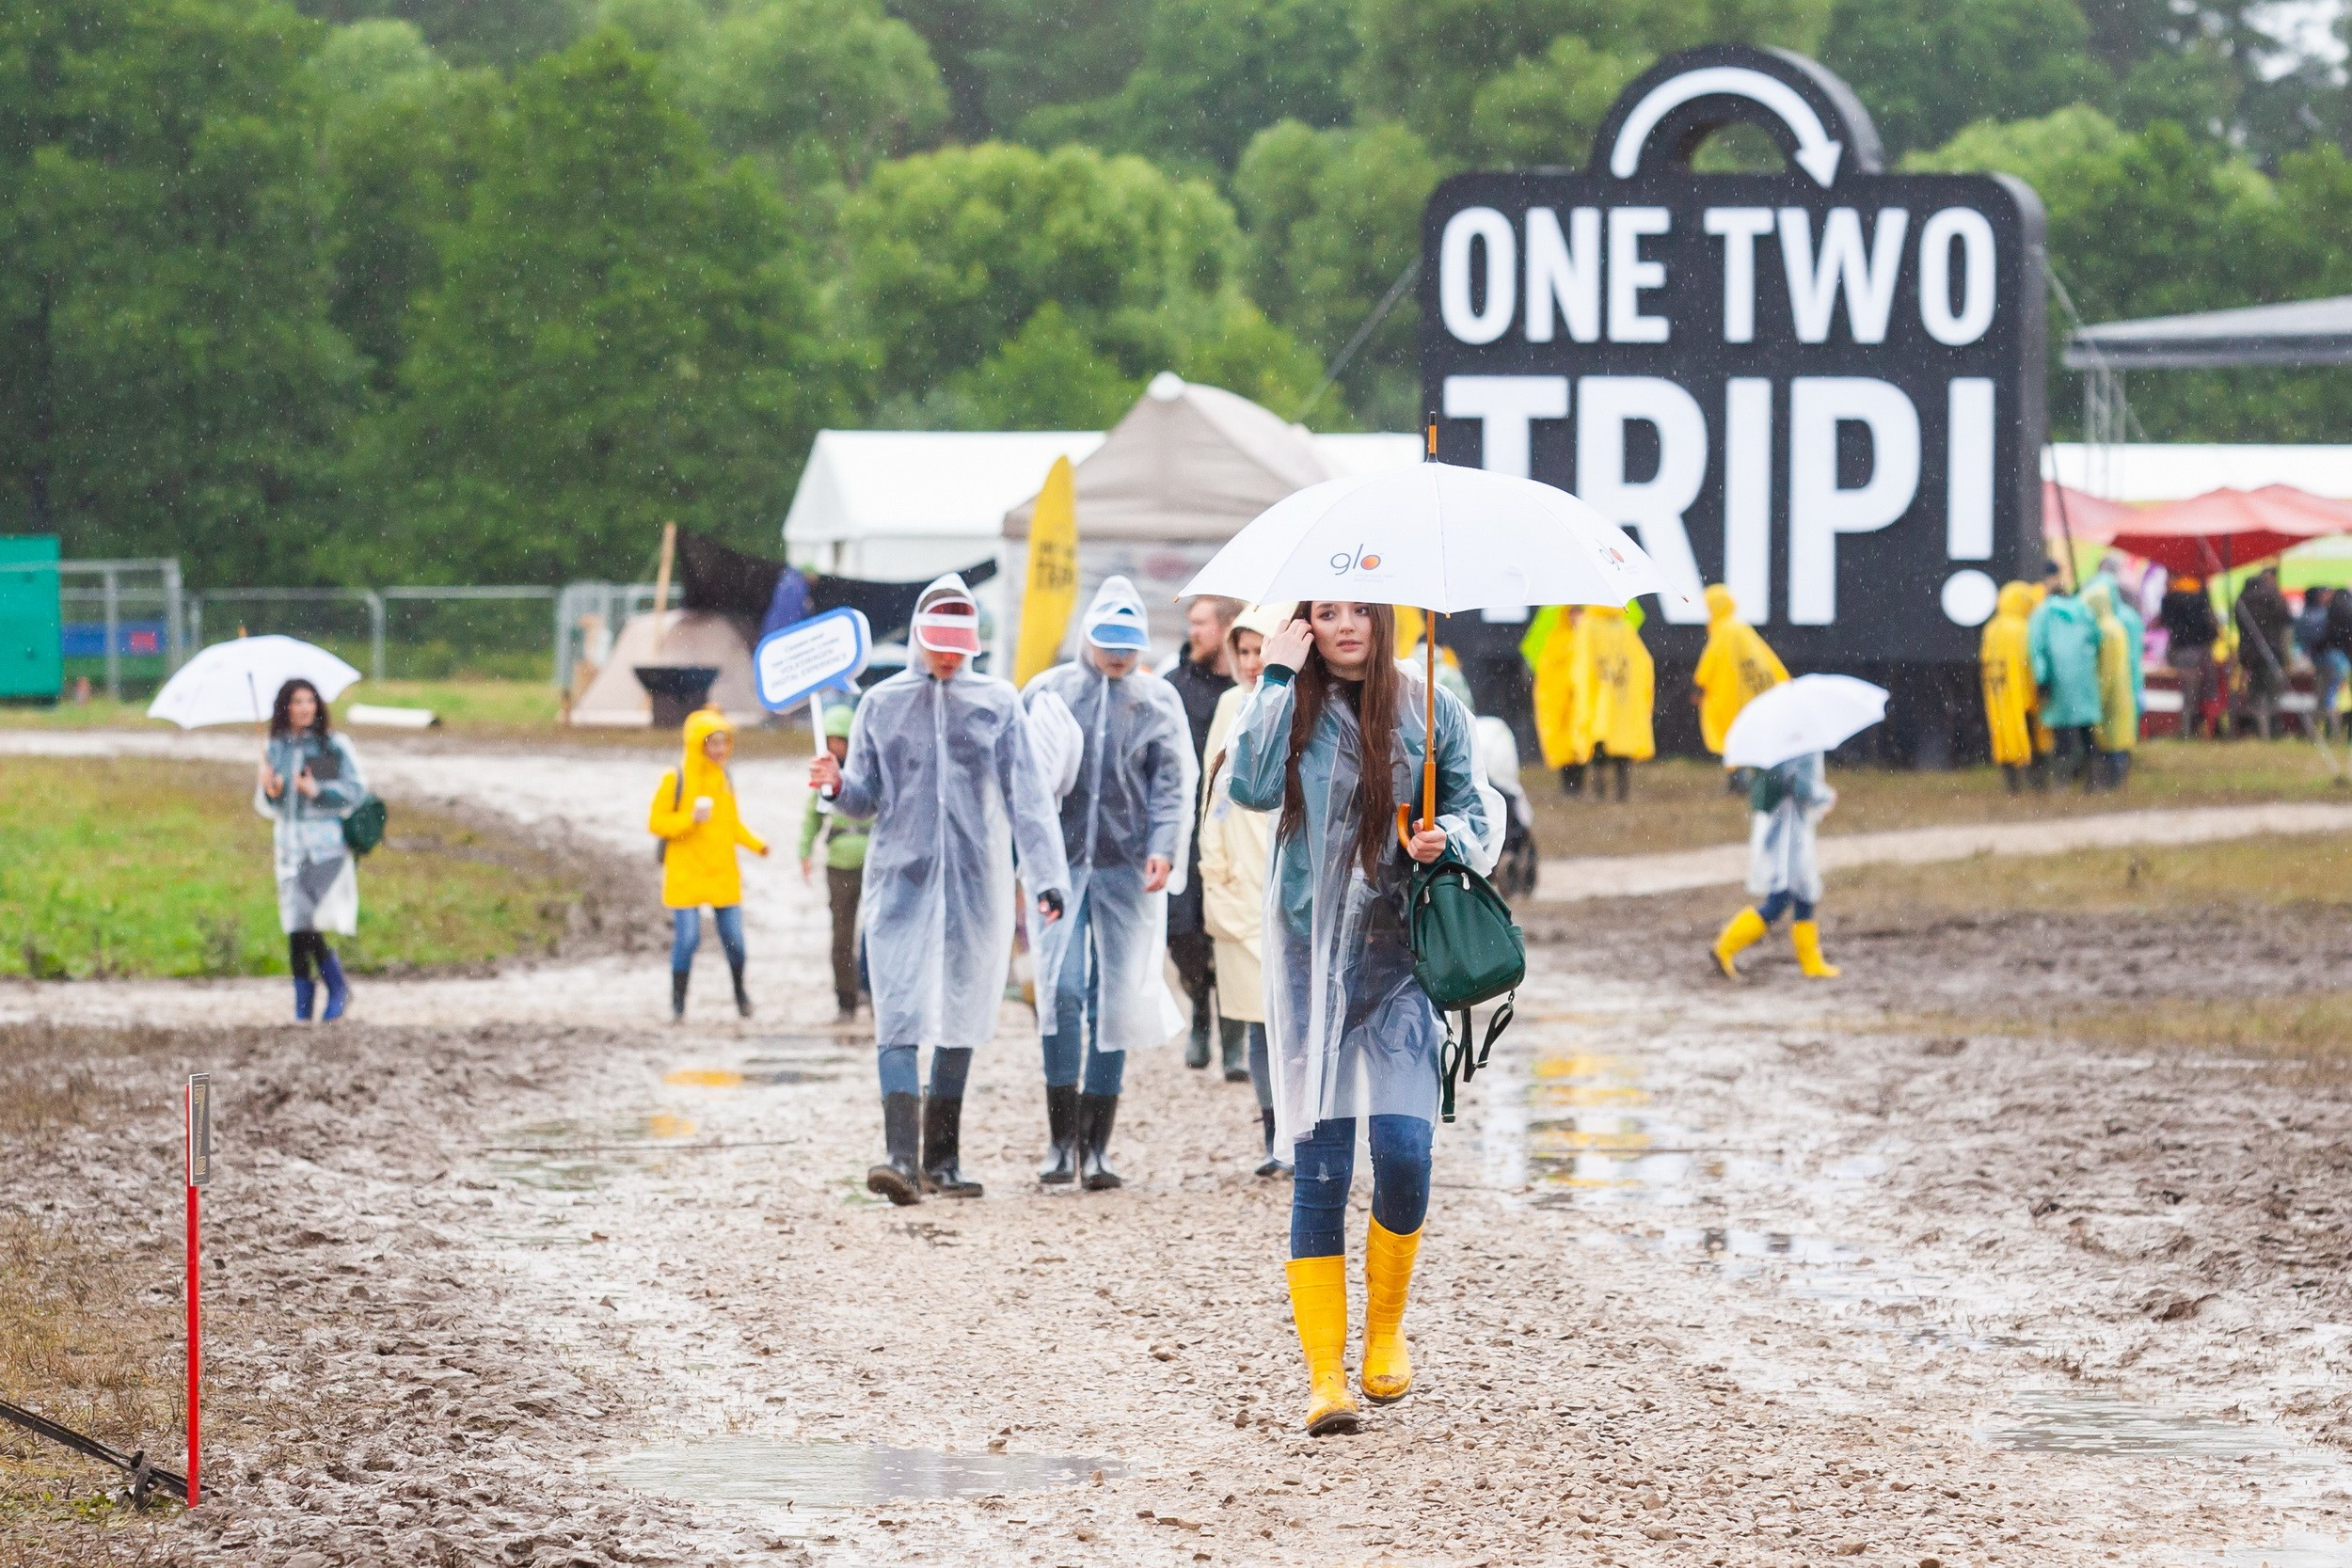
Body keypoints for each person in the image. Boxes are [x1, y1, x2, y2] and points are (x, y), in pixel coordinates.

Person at [1227, 601, 1498, 1436]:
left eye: (1357, 612)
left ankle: (1385, 1328)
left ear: (1383, 618)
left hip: (1402, 957)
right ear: (1305, 623)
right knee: (1322, 1169)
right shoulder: (1290, 704)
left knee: (1407, 1154)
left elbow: (1480, 817)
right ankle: (1325, 1378)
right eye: (1324, 613)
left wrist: (1442, 836)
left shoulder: (1430, 706)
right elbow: (1248, 784)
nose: (1345, 626)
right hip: (1311, 960)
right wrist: (1275, 674)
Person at [811, 574, 1071, 1206]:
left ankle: (942, 1159)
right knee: (897, 1007)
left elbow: (1027, 799)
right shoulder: (881, 704)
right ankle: (899, 1157)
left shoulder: (997, 703)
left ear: (974, 643)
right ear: (921, 639)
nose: (949, 658)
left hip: (975, 885)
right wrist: (834, 785)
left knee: (961, 1010)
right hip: (901, 879)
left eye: (960, 647)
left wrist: (1047, 877)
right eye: (939, 645)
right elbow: (864, 800)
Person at [1024, 578, 1196, 1191]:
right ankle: (1059, 1138)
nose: (1117, 656)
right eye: (1108, 643)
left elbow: (1172, 783)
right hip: (1061, 867)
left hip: (1126, 869)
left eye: (1128, 646)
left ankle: (1097, 1147)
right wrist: (1033, 859)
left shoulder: (1155, 701)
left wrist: (1163, 847)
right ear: (1087, 637)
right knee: (1062, 989)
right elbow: (1022, 781)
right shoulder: (1049, 693)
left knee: (1116, 1000)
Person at [1199, 603, 1293, 1173]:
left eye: (1263, 650)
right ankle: (1272, 1133)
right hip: (1240, 881)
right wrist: (1215, 868)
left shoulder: (1301, 706)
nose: (1255, 662)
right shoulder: (1231, 707)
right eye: (1246, 652)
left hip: (1288, 877)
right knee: (1256, 1018)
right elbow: (1212, 797)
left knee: (1296, 1017)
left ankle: (1308, 1129)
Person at [254, 678, 368, 1022]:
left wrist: (317, 791)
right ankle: (312, 999)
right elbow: (269, 805)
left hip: (325, 849)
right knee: (296, 924)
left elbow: (353, 792)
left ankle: (327, 991)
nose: (304, 708)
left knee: (302, 920)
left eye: (310, 701)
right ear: (285, 707)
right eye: (297, 701)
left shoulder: (331, 747)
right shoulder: (274, 749)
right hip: (288, 848)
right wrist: (271, 791)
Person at [648, 708, 769, 1022]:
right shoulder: (675, 778)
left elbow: (731, 825)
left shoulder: (724, 777)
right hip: (686, 873)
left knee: (736, 943)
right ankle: (678, 1005)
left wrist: (757, 845)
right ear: (697, 744)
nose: (720, 750)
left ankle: (741, 994)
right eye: (713, 743)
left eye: (724, 743)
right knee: (687, 940)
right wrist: (690, 820)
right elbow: (657, 823)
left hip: (721, 872)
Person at [1163, 594, 1238, 1071]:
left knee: (1229, 928)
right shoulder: (1172, 687)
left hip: (1233, 824)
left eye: (1202, 624)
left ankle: (1233, 1038)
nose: (1194, 632)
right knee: (1183, 932)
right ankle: (1199, 1011)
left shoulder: (1250, 685)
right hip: (1184, 827)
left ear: (1229, 627)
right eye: (1191, 623)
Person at [1710, 752, 1838, 980]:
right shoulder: (1799, 744)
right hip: (1788, 832)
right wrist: (1825, 796)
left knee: (1805, 893)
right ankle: (1725, 946)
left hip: (1786, 826)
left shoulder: (1783, 742)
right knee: (1780, 898)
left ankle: (1811, 961)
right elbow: (1800, 787)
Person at [1533, 602, 1654, 800]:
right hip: (1609, 701)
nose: (1577, 616)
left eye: (1580, 610)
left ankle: (1605, 791)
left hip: (1595, 701)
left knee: (1601, 746)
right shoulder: (1624, 629)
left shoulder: (1590, 629)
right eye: (1573, 611)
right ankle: (1598, 790)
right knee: (1606, 748)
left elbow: (1582, 667)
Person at [799, 701, 871, 1021]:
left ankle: (872, 992)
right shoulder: (823, 777)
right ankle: (846, 999)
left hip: (872, 862)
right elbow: (811, 817)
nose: (836, 747)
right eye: (830, 740)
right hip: (839, 863)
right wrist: (804, 852)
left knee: (876, 932)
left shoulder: (866, 772)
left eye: (841, 740)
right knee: (842, 935)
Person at [1692, 583, 1788, 756]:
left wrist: (1698, 689)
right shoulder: (1743, 629)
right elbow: (1768, 659)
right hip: (1754, 695)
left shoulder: (1722, 632)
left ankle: (1738, 777)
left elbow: (1707, 667)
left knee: (1733, 739)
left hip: (1731, 698)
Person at [2029, 584, 2102, 785]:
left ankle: (2062, 780)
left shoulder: (2042, 614)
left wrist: (2041, 679)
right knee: (2086, 729)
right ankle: (2093, 780)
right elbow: (2097, 639)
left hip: (2057, 679)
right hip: (2084, 678)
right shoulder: (2085, 611)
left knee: (2061, 732)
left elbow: (2037, 648)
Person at [1980, 581, 2043, 791]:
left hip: (1997, 691)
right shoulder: (2022, 628)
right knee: (2027, 735)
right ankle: (2034, 784)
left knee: (2004, 734)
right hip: (2021, 692)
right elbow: (2030, 661)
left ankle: (2012, 785)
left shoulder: (1992, 627)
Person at [2084, 581, 2143, 789]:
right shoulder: (2116, 625)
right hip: (2123, 692)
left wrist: (2098, 697)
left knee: (2112, 741)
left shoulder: (2106, 630)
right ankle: (2118, 782)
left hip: (2112, 696)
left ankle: (2114, 784)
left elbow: (2106, 670)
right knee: (2120, 740)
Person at [2159, 575, 2221, 739]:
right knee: (2206, 692)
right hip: (2203, 650)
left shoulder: (2170, 598)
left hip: (2182, 650)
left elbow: (2165, 621)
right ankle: (2207, 729)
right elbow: (2210, 623)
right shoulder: (2201, 594)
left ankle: (2185, 730)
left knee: (2187, 693)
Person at [2236, 566, 2294, 739]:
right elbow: (2286, 624)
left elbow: (2241, 627)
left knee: (2255, 692)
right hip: (2272, 652)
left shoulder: (2243, 599)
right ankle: (2273, 729)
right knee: (2272, 693)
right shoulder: (2274, 597)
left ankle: (2260, 729)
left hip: (2250, 655)